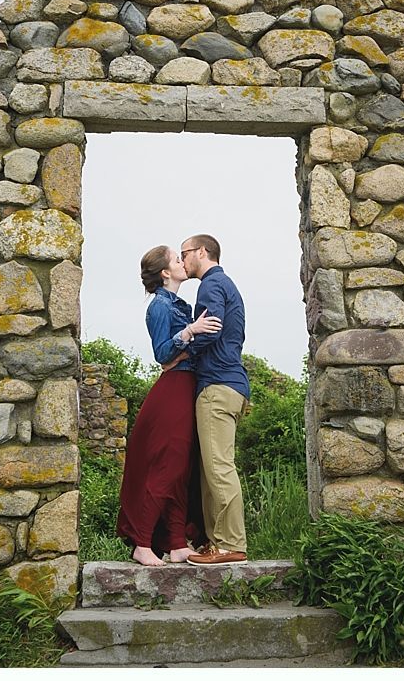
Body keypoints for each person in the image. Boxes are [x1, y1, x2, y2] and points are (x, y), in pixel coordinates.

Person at [116, 245, 221, 566]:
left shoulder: (180, 304)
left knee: (181, 470)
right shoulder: (159, 307)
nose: (182, 261)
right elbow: (162, 354)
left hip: (186, 386)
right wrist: (191, 331)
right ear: (165, 272)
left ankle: (176, 542)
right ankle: (142, 542)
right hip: (173, 389)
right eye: (177, 259)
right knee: (168, 468)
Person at [176, 234, 252, 567]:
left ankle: (230, 545)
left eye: (184, 254)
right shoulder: (227, 285)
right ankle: (215, 543)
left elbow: (212, 329)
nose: (182, 261)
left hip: (217, 387)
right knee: (212, 469)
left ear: (202, 252)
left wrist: (180, 350)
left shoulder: (209, 285)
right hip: (231, 384)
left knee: (219, 468)